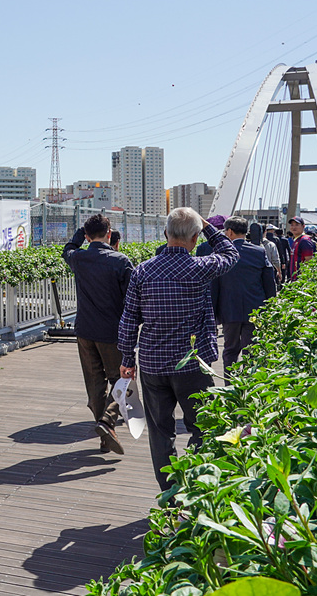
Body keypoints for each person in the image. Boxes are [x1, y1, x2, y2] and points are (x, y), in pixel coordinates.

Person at [118, 208, 238, 494]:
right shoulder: (200, 267)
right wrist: (209, 227)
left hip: (151, 363)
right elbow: (231, 253)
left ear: (165, 234)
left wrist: (126, 358)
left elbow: (128, 318)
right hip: (192, 364)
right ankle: (195, 485)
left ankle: (170, 492)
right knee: (202, 426)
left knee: (160, 432)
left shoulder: (142, 271)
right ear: (195, 238)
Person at [63, 214, 134, 454]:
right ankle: (106, 422)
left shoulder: (79, 258)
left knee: (94, 384)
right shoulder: (120, 261)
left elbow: (68, 249)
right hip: (112, 332)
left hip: (84, 330)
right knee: (122, 379)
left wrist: (79, 235)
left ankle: (106, 435)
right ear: (109, 232)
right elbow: (132, 300)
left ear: (86, 235)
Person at [211, 217, 276, 368]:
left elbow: (214, 287)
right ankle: (249, 386)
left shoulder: (220, 254)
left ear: (230, 232)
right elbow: (269, 283)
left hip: (229, 310)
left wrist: (213, 314)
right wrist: (270, 307)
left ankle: (230, 387)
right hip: (254, 310)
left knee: (230, 350)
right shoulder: (259, 252)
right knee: (252, 351)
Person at [249, 221, 282, 285]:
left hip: (252, 274)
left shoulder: (248, 245)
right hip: (268, 273)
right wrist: (279, 271)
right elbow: (275, 260)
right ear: (265, 232)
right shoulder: (271, 245)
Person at [286, 216, 317, 281]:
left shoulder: (304, 240)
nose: (294, 227)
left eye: (297, 225)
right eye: (292, 225)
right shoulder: (296, 240)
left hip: (301, 279)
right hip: (295, 278)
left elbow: (309, 261)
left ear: (303, 226)